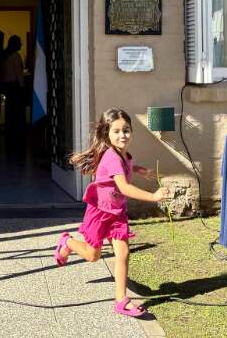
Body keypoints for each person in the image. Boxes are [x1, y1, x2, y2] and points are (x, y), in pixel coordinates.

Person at [54, 108, 170, 318]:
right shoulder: (111, 156)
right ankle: (67, 242)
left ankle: (121, 301)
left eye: (126, 130)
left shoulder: (123, 155)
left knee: (123, 253)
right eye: (116, 131)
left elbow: (126, 167)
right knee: (92, 256)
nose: (122, 135)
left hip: (116, 213)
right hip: (99, 212)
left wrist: (140, 170)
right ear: (107, 134)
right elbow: (124, 188)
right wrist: (153, 197)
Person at [2, 35, 25, 139]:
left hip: (8, 86)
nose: (21, 44)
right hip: (15, 86)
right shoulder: (16, 56)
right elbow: (19, 74)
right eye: (20, 42)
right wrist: (22, 85)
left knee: (10, 110)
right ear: (16, 44)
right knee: (17, 111)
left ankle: (10, 130)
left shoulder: (6, 56)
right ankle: (17, 131)